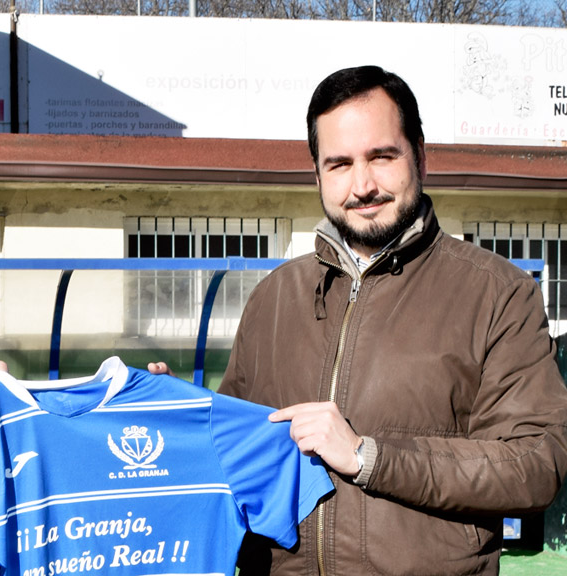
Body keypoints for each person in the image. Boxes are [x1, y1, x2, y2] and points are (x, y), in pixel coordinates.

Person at [207, 65, 567, 574]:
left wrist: (369, 456)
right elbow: (227, 453)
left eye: (382, 156)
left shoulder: (497, 294)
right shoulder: (272, 298)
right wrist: (160, 409)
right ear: (316, 174)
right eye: (339, 164)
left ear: (420, 155)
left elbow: (536, 465)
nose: (363, 184)